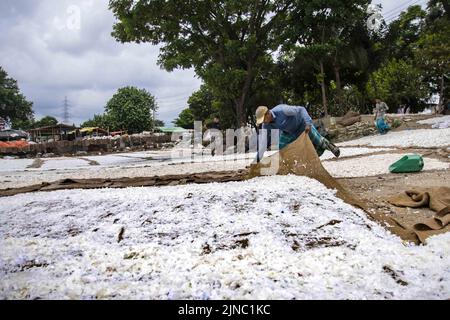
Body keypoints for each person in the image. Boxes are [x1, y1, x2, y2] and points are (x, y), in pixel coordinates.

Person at [255, 104, 340, 161]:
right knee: (281, 148)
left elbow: (301, 109)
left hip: (302, 126)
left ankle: (332, 148)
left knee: (317, 140)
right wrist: (256, 160)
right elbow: (263, 144)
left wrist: (308, 123)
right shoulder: (266, 125)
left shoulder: (283, 110)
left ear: (268, 114)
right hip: (288, 133)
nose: (263, 122)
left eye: (263, 119)